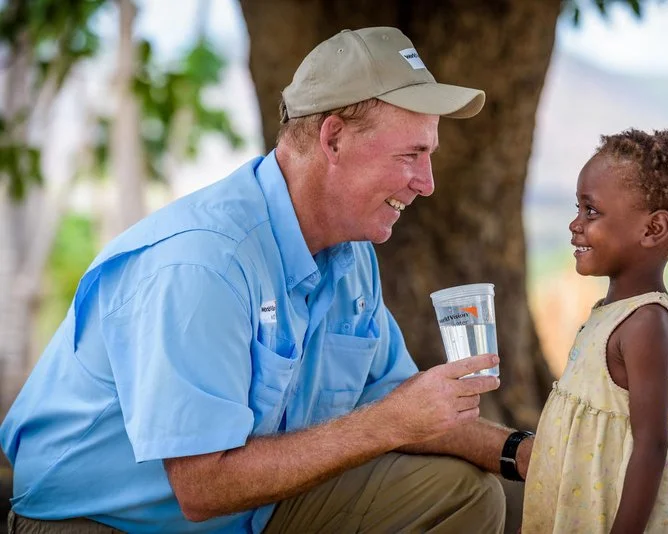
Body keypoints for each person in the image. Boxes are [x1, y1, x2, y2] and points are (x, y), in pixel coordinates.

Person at [1, 27, 536, 533]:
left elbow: (399, 402)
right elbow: (202, 487)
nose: (427, 183)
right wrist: (389, 423)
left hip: (248, 512)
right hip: (99, 522)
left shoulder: (350, 255)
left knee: (465, 492)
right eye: (410, 155)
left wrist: (521, 452)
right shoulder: (204, 263)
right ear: (334, 139)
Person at [521, 129, 668, 533]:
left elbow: (652, 445)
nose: (575, 224)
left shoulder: (646, 323)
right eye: (578, 208)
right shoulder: (610, 312)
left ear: (652, 229)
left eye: (591, 211)